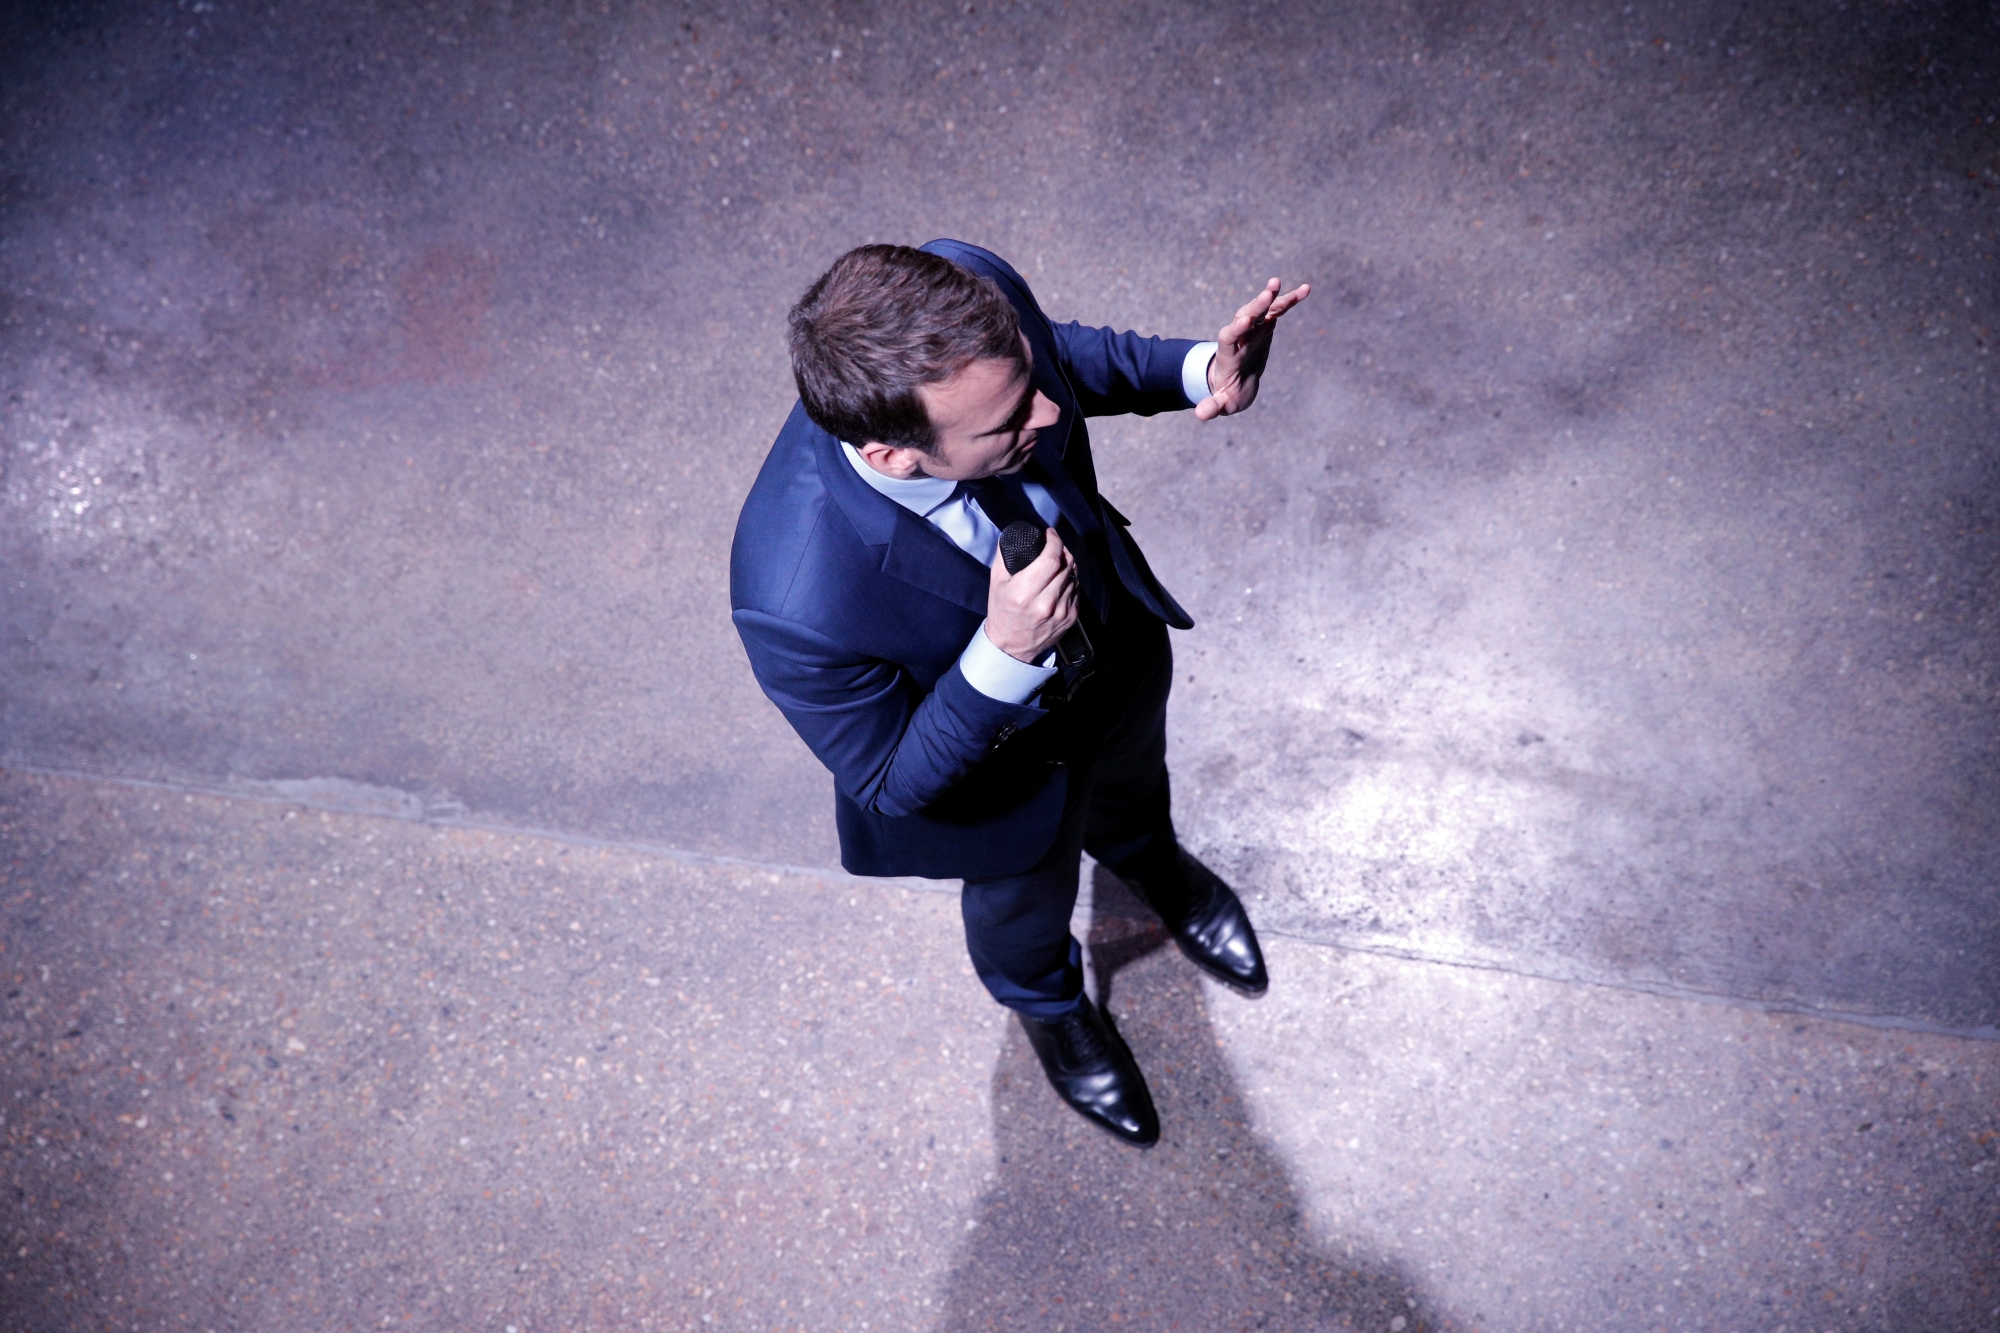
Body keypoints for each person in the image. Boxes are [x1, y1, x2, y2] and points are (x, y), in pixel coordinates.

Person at [730, 240, 1309, 1147]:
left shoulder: (969, 288)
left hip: (1114, 652)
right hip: (1002, 779)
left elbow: (1059, 356)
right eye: (1006, 425)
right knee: (1021, 912)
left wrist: (1201, 365)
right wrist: (999, 655)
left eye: (1028, 386)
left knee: (1134, 783)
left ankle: (1152, 862)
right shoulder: (795, 595)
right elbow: (887, 778)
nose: (1049, 411)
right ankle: (1049, 1006)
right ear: (895, 453)